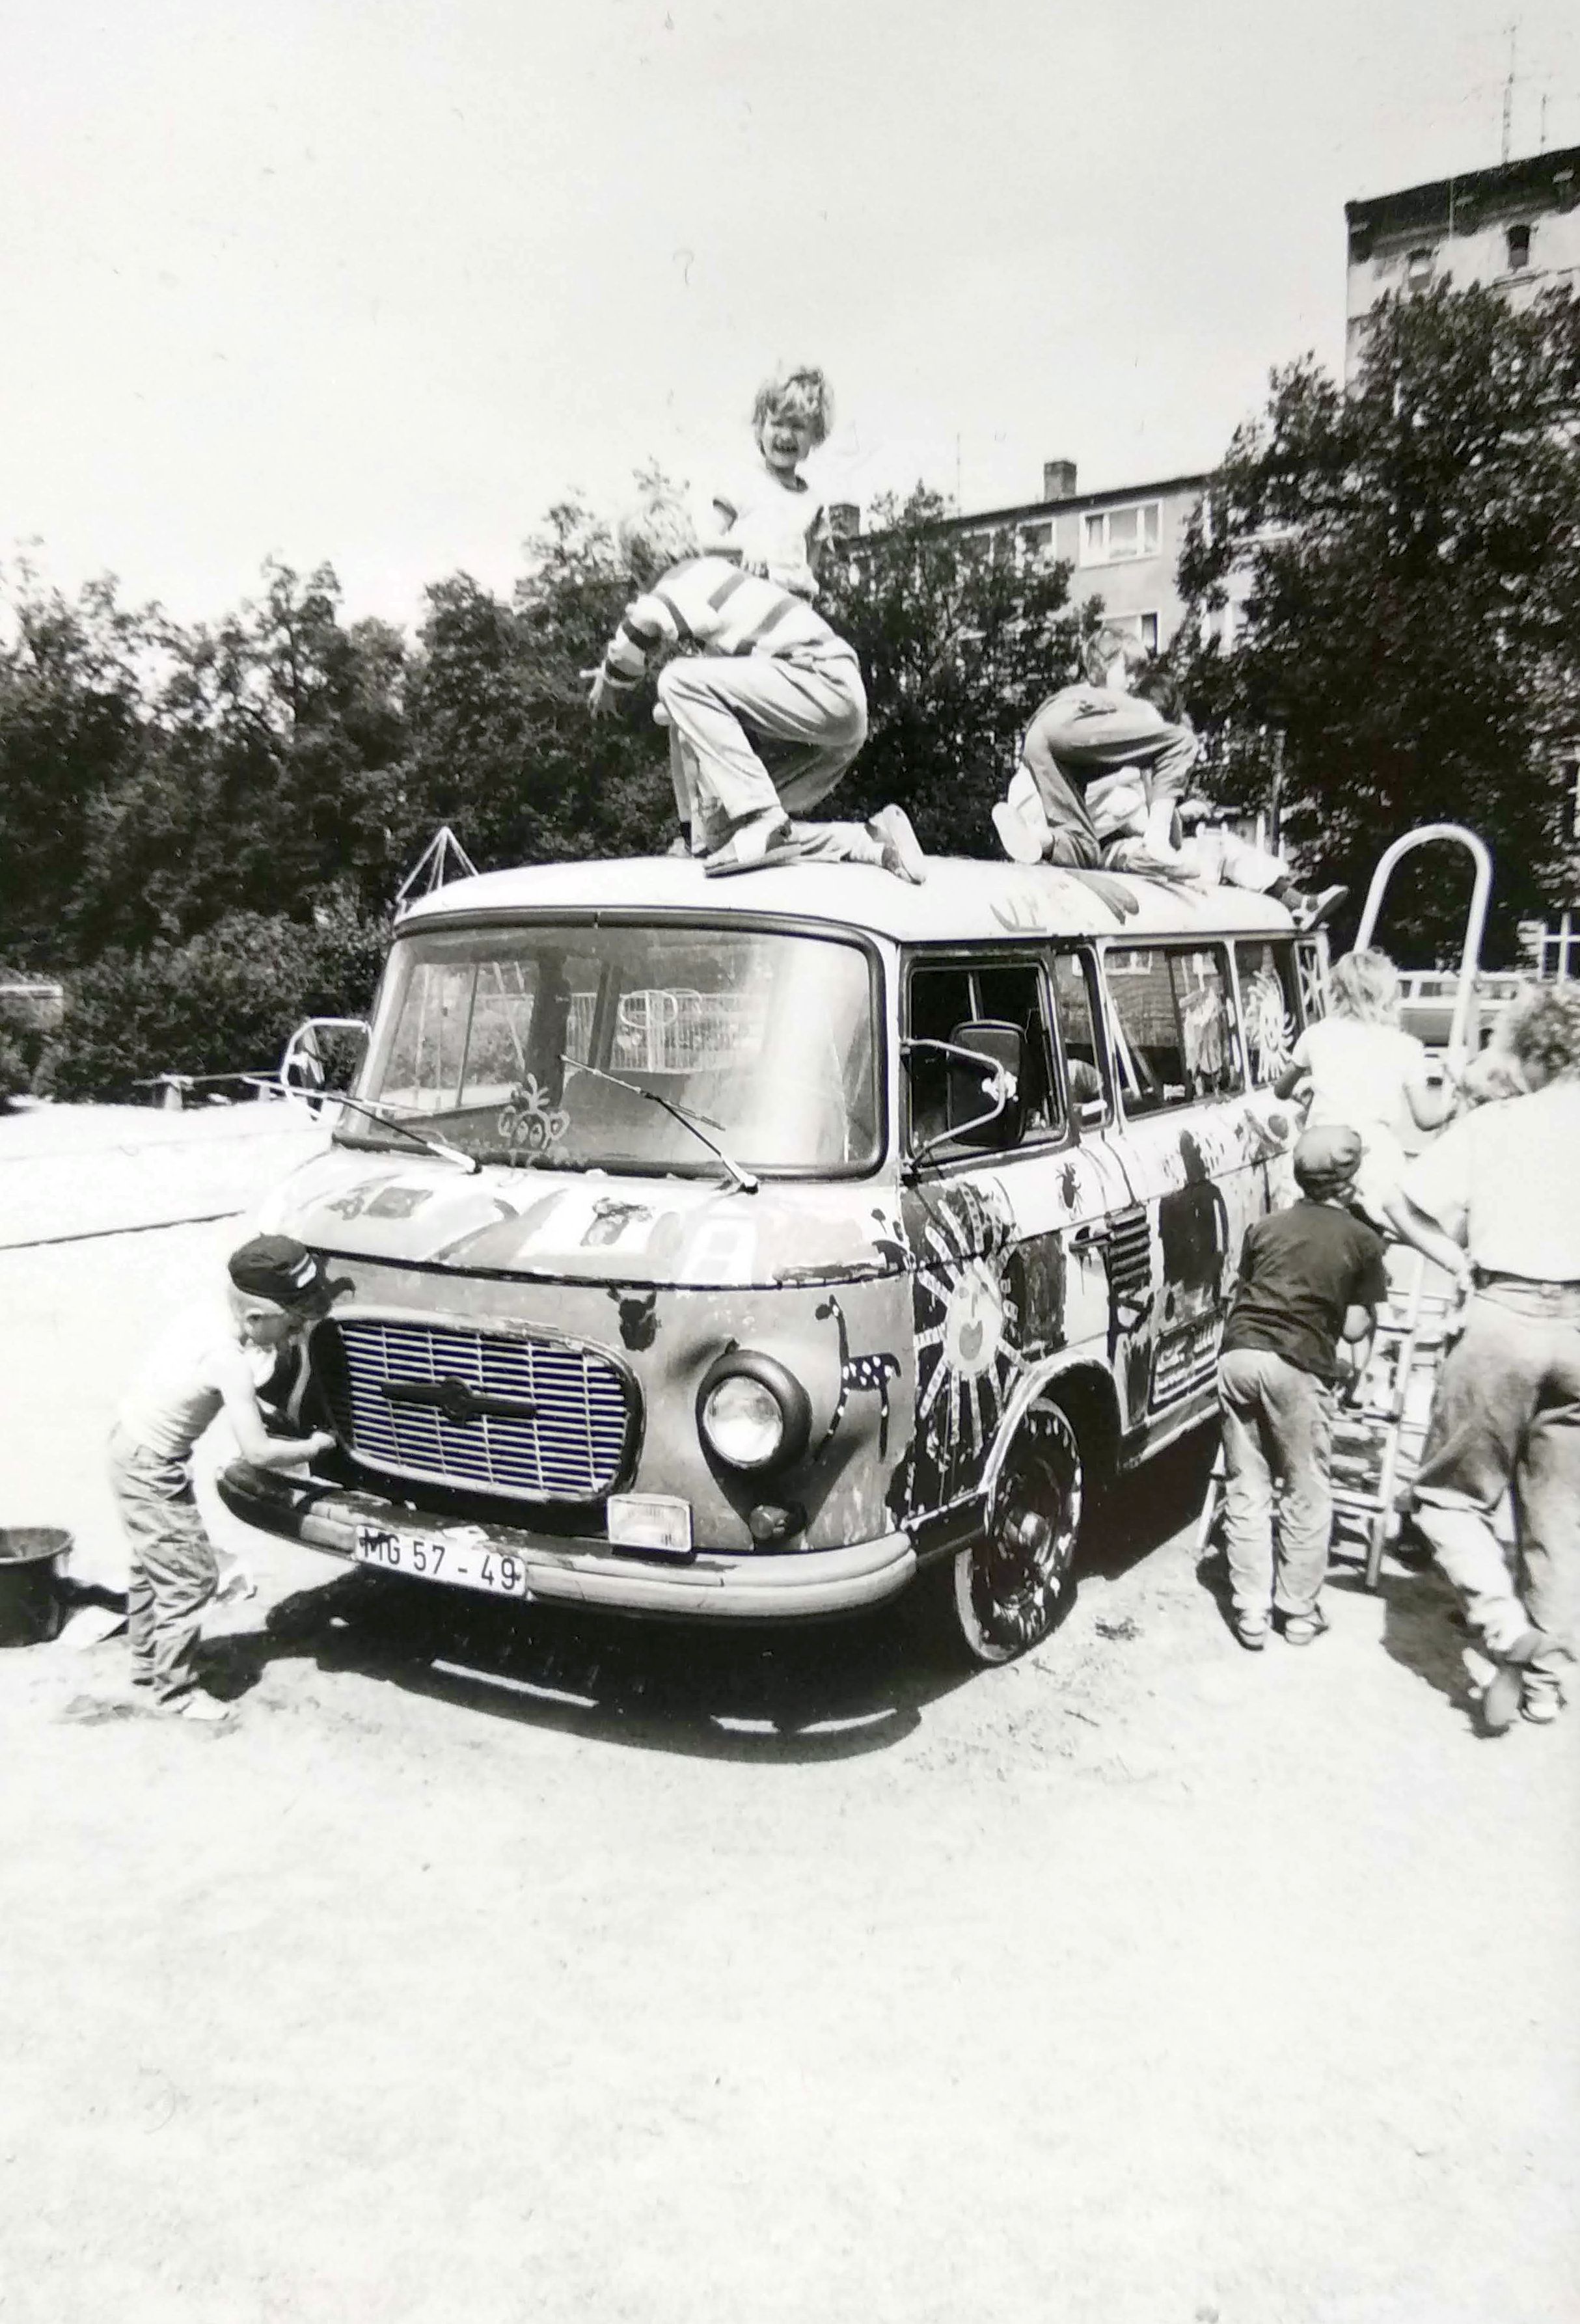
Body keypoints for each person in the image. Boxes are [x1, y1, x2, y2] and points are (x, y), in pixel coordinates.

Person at [1389, 984, 1580, 1733]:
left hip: (1505, 1312)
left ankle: (1503, 1626)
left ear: (1533, 1049)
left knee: (1446, 1496)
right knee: (1558, 1513)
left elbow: (1401, 1201)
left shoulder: (1497, 1122)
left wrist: (1457, 1260)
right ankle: (1547, 1683)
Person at [588, 489, 925, 882]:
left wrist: (608, 680)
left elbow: (636, 638)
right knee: (721, 832)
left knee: (677, 679)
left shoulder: (681, 582)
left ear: (639, 564)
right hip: (836, 710)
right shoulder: (721, 576)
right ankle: (869, 840)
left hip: (818, 679)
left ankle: (763, 819)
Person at [107, 1236, 339, 1722]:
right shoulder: (227, 1360)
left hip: (130, 1445)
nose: (295, 1334)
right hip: (151, 1468)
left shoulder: (211, 1314)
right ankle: (175, 1693)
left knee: (154, 1565)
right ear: (255, 1317)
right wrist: (316, 1446)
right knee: (191, 1580)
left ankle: (148, 1663)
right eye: (291, 1324)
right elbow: (258, 1451)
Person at [992, 635, 1344, 929]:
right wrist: (1172, 817)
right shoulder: (1128, 753)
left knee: (1206, 847)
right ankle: (1295, 902)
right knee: (1212, 850)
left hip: (1063, 826)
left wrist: (1175, 812)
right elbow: (1144, 822)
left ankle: (1296, 901)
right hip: (1110, 849)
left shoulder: (1081, 722)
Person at [1216, 1126, 1389, 1650]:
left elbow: (1245, 1291)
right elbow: (1354, 1330)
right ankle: (1297, 1611)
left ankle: (1250, 1610)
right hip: (1297, 1362)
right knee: (1305, 1489)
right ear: (1350, 1181)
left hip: (1239, 1355)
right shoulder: (1361, 1239)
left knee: (1246, 1486)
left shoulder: (1266, 1227)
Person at [1273, 949, 1458, 1235]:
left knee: (1312, 1233)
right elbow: (1425, 1120)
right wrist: (1451, 1104)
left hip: (1319, 1148)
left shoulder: (1317, 1034)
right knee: (1380, 1233)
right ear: (1386, 993)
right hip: (1373, 1154)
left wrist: (1305, 1092)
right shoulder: (1405, 1046)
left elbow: (1281, 1090)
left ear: (1337, 990)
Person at [697, 364, 834, 601]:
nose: (786, 435)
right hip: (749, 598)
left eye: (798, 426)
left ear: (815, 435)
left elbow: (808, 570)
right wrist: (744, 549)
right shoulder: (744, 482)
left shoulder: (814, 504)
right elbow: (704, 541)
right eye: (777, 423)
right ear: (760, 428)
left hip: (793, 607)